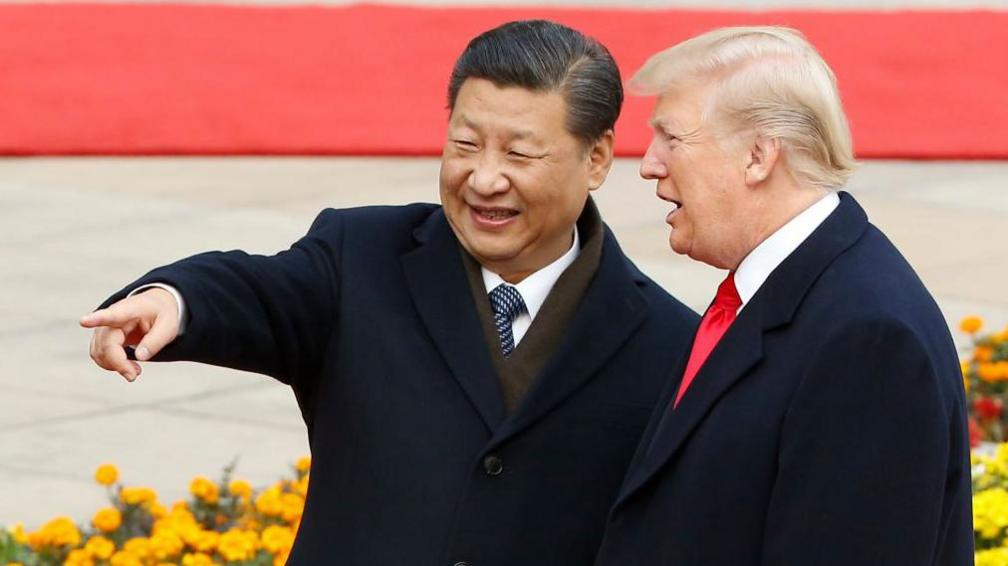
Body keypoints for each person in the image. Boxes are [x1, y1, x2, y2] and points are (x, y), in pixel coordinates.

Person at [80, 20, 698, 566]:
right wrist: (173, 299)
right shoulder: (363, 256)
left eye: (518, 153)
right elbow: (259, 289)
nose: (483, 178)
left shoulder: (670, 343)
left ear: (596, 159)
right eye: (464, 144)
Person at [594, 26, 973, 565]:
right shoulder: (785, 290)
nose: (650, 163)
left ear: (758, 156)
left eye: (672, 138)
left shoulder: (867, 339)